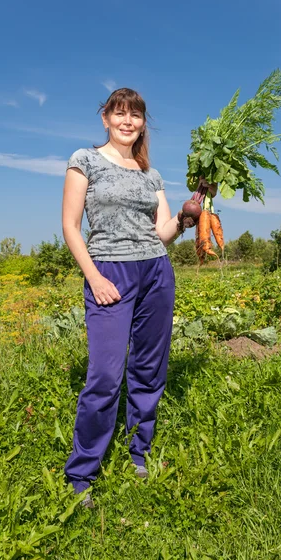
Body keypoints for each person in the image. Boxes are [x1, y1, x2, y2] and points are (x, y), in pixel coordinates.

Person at [62, 88, 215, 507]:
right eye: (119, 113)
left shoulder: (152, 175)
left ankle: (138, 451)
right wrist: (94, 278)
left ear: (143, 123)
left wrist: (188, 215)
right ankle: (81, 473)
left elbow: (161, 230)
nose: (127, 121)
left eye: (135, 115)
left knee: (149, 368)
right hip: (109, 271)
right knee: (106, 376)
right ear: (106, 119)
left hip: (156, 271)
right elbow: (71, 227)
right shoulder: (85, 160)